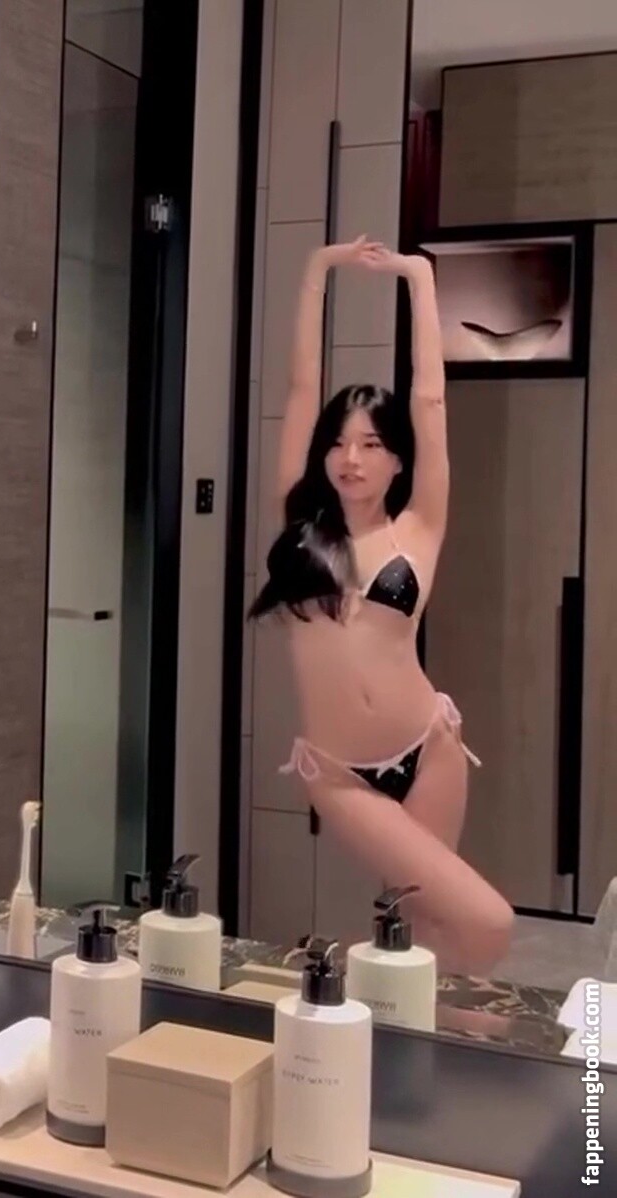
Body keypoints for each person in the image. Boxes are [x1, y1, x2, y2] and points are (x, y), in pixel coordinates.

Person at [248, 235, 514, 976]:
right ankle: (433, 1025)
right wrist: (317, 267)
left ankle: (431, 1038)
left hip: (430, 747)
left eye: (370, 445)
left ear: (398, 459)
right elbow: (301, 389)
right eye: (339, 444)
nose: (351, 459)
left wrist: (418, 278)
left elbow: (430, 399)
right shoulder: (300, 524)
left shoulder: (420, 527)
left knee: (431, 930)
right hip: (338, 768)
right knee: (487, 921)